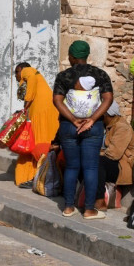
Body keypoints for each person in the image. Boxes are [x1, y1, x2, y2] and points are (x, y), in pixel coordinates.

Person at [53, 41, 113, 219]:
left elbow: (57, 100)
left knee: (71, 166)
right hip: (93, 127)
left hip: (68, 126)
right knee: (91, 167)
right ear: (87, 56)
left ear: (71, 56)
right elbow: (108, 99)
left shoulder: (64, 76)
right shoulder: (100, 74)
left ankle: (69, 207)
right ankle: (89, 210)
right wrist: (92, 119)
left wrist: (73, 120)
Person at [14, 62, 59, 188]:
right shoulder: (33, 78)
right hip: (44, 111)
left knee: (37, 144)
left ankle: (39, 177)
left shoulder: (28, 71)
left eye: (17, 72)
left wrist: (26, 105)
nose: (16, 75)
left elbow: (31, 80)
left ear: (23, 69)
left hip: (42, 113)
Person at [92, 101, 134, 211]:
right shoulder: (107, 126)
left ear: (107, 114)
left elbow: (113, 154)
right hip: (111, 161)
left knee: (98, 161)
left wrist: (94, 154)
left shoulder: (122, 127)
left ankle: (100, 199)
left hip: (122, 166)